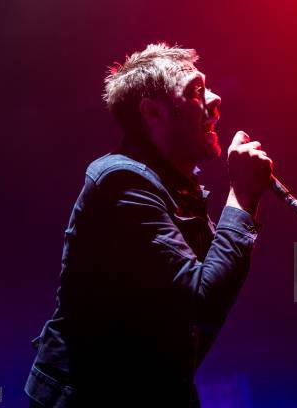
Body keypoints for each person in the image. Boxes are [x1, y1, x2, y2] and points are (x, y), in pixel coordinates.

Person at [24, 43, 272, 407]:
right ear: (153, 113)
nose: (216, 99)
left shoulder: (178, 189)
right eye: (196, 90)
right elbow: (201, 299)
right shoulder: (120, 181)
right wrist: (242, 198)